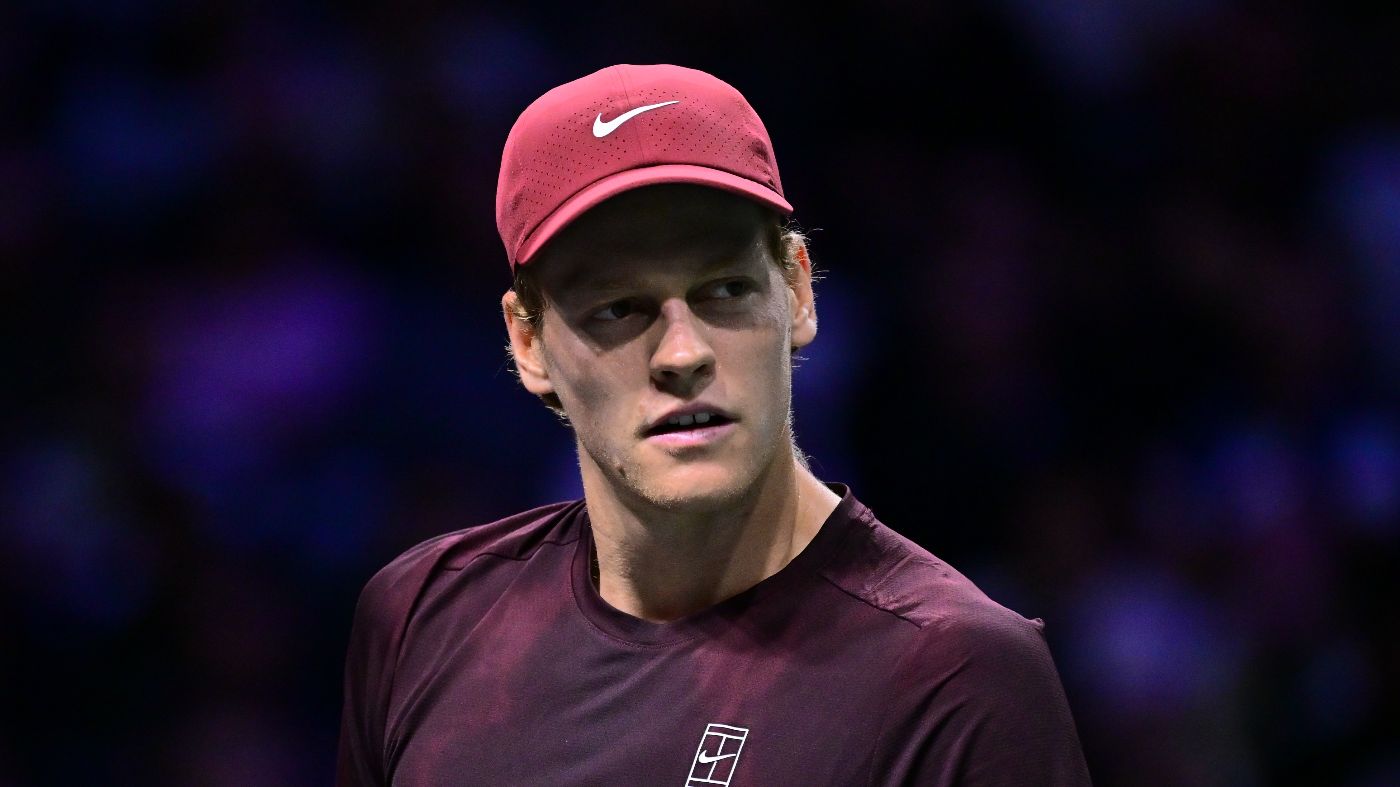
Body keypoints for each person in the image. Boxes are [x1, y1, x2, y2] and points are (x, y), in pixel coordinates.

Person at [336, 63, 1091, 786]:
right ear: (528, 343)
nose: (683, 354)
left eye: (725, 290)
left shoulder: (955, 677)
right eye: (618, 308)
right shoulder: (421, 620)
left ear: (798, 292)